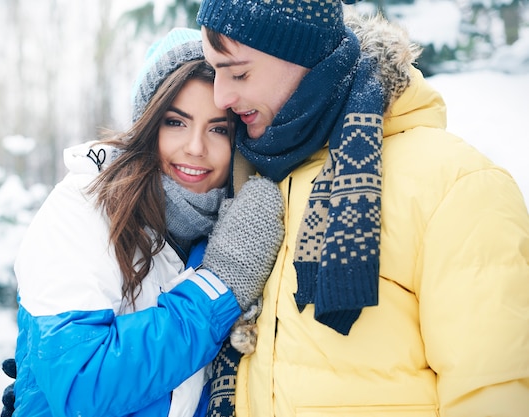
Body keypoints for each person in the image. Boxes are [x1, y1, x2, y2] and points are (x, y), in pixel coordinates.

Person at [195, 0, 529, 416]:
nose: (221, 96)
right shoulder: (254, 182)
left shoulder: (456, 185)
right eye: (215, 72)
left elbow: (492, 394)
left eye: (239, 72)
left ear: (306, 57)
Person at [5, 27, 284, 417]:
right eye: (176, 122)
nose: (196, 147)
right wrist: (219, 286)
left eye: (218, 128)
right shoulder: (83, 209)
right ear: (147, 126)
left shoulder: (226, 230)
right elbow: (85, 385)